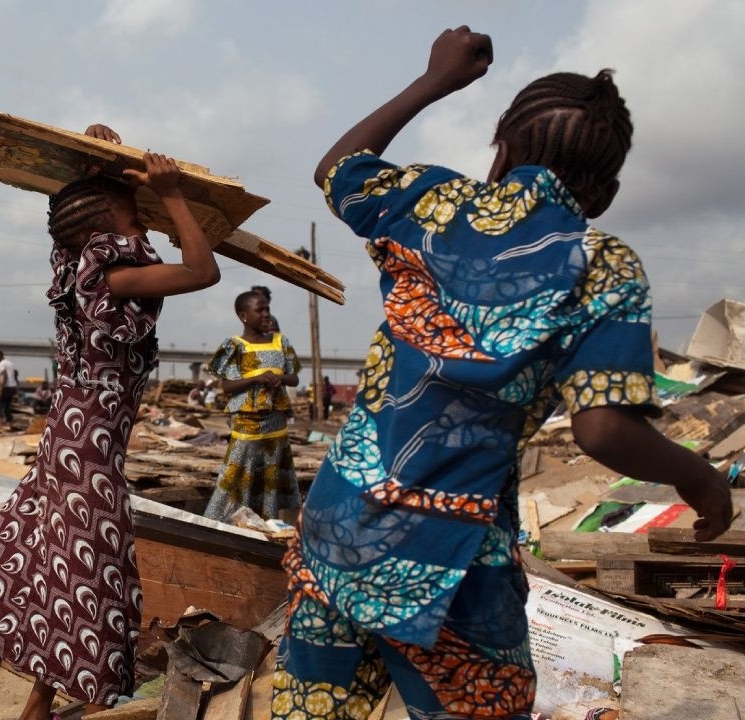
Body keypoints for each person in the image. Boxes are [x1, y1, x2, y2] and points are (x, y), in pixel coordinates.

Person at [272, 26, 734, 720]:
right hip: (451, 557)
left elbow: (337, 168)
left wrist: (436, 80)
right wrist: (700, 478)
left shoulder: (429, 202)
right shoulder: (601, 264)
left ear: (503, 149)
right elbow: (604, 428)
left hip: (338, 522)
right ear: (604, 193)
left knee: (316, 704)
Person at [0, 125, 220, 720]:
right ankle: (56, 694)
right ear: (105, 232)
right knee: (84, 566)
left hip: (71, 436)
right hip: (88, 451)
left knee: (59, 558)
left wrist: (97, 163)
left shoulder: (81, 270)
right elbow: (203, 271)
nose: (145, 227)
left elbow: (75, 215)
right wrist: (173, 194)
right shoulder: (114, 277)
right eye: (135, 219)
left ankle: (38, 702)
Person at [204, 289, 301, 523]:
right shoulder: (234, 346)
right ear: (244, 316)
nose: (266, 314)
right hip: (247, 423)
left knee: (270, 475)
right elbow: (227, 386)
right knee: (236, 473)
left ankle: (265, 524)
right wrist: (257, 378)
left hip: (276, 423)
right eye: (260, 310)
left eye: (268, 308)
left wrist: (278, 378)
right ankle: (222, 522)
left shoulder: (281, 342)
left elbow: (294, 378)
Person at [0, 350, 19, 423]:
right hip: (12, 387)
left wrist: (0, 389)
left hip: (6, 386)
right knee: (7, 404)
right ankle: (9, 419)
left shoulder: (1, 364)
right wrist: (16, 387)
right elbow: (16, 374)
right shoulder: (10, 363)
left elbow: (5, 376)